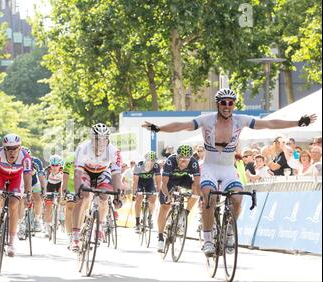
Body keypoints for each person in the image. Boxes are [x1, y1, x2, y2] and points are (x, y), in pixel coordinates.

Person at [142, 88, 317, 256]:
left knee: (238, 198)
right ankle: (208, 238)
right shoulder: (207, 120)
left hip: (228, 170)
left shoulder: (241, 120)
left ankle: (229, 232)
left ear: (234, 105)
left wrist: (297, 122)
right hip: (210, 168)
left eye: (231, 103)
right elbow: (182, 125)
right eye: (224, 102)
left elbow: (269, 124)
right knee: (208, 197)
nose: (227, 106)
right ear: (218, 104)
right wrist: (160, 128)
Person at [71, 123, 123, 251]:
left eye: (104, 139)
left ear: (108, 139)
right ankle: (75, 237)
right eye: (97, 139)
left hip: (102, 172)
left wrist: (117, 197)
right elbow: (77, 173)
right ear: (91, 138)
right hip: (86, 171)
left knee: (105, 196)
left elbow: (116, 176)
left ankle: (99, 226)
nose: (101, 142)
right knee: (84, 196)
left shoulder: (114, 151)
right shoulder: (83, 148)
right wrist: (78, 192)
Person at [0, 134, 32, 257]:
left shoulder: (25, 158)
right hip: (0, 175)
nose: (12, 152)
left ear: (20, 147)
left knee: (14, 204)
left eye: (15, 148)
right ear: (3, 148)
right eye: (8, 148)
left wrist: (28, 193)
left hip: (16, 177)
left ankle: (11, 243)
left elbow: (27, 177)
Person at [157, 145, 200, 252]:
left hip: (184, 179)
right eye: (181, 157)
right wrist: (167, 195)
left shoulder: (193, 162)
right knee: (164, 207)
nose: (183, 160)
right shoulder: (170, 161)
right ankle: (160, 237)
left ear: (190, 157)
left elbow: (197, 182)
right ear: (177, 156)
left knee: (197, 189)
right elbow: (164, 183)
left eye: (186, 158)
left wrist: (198, 196)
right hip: (170, 180)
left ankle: (185, 214)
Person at [132, 151, 161, 234]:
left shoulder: (156, 166)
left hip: (149, 182)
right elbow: (135, 181)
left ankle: (150, 217)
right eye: (149, 161)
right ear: (145, 160)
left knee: (152, 199)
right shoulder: (139, 166)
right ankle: (137, 222)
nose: (151, 163)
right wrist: (134, 193)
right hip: (139, 182)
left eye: (153, 161)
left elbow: (158, 180)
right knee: (139, 198)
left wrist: (158, 192)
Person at [43, 154, 64, 237]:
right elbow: (44, 183)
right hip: (49, 186)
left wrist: (60, 195)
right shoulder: (47, 171)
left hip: (59, 185)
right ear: (50, 165)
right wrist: (44, 193)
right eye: (53, 165)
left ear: (60, 166)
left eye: (57, 165)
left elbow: (63, 183)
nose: (54, 167)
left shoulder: (63, 171)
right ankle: (47, 227)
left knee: (60, 199)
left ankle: (59, 215)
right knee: (48, 206)